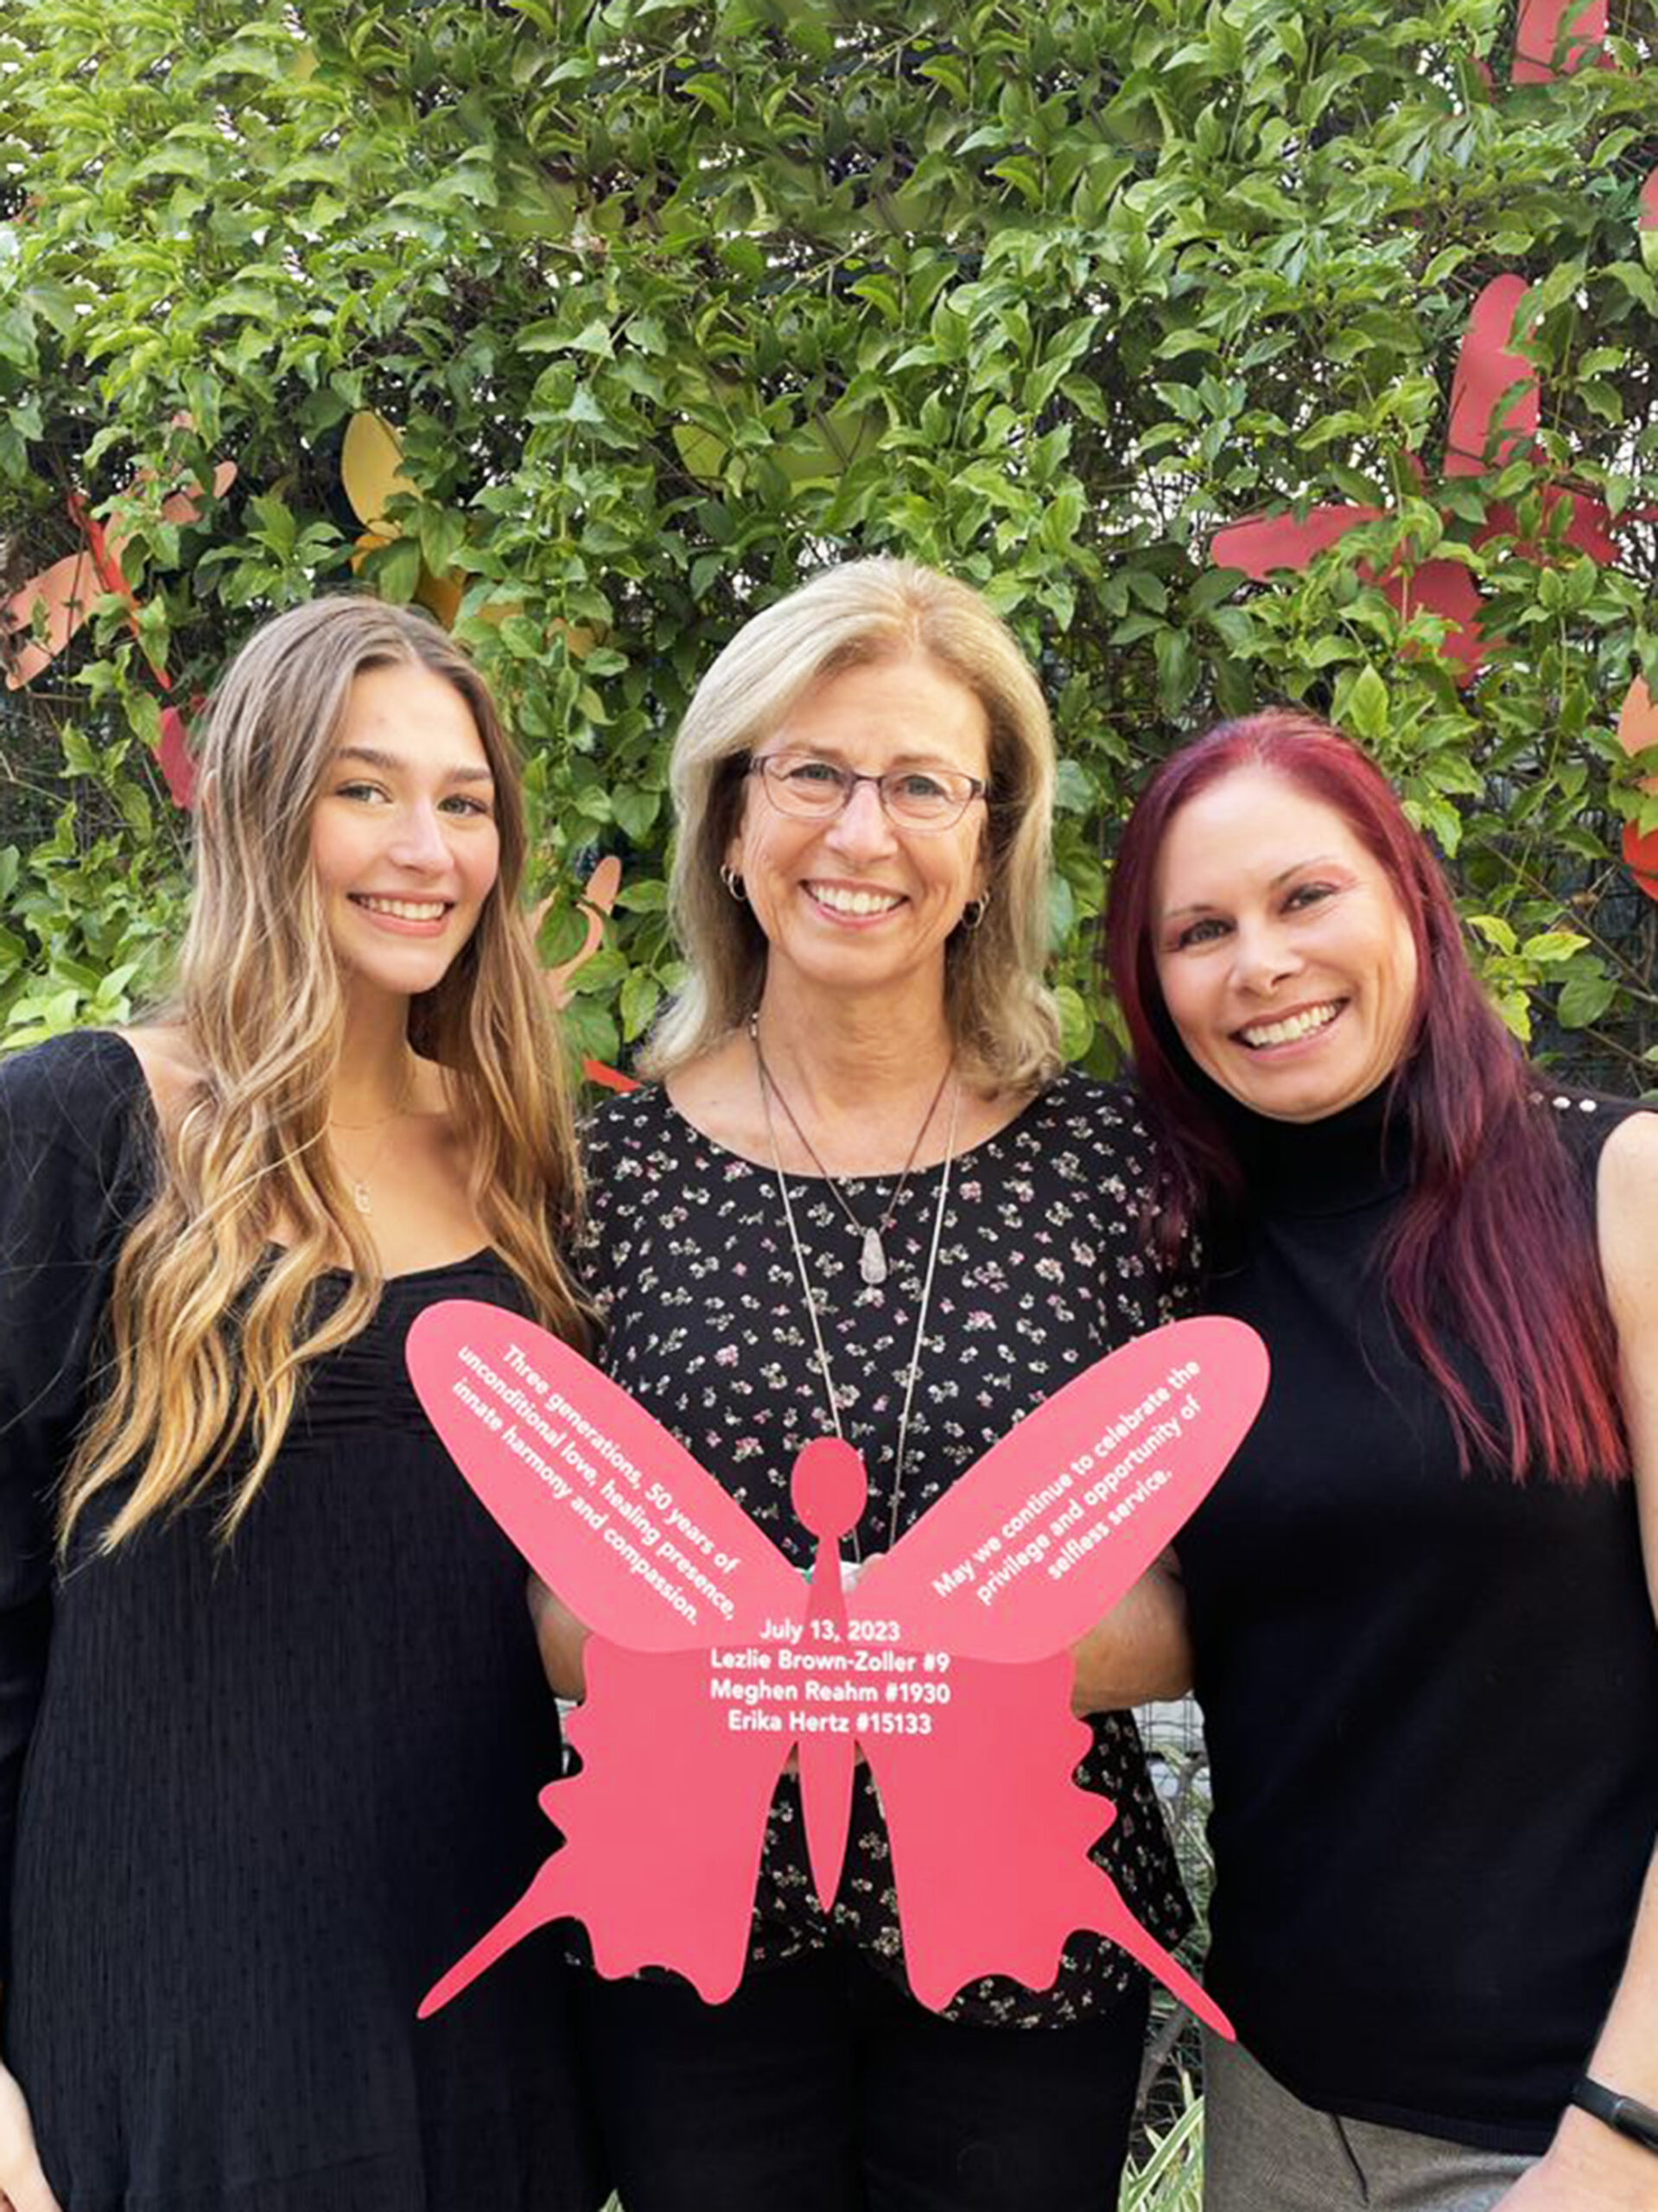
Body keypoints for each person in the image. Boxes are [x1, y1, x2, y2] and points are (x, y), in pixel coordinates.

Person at [531, 556, 1196, 2212]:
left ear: (987, 845)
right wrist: (846, 1672)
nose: (861, 832)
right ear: (731, 825)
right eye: (811, 772)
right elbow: (528, 1576)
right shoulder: (590, 1178)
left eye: (920, 784)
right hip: (689, 1930)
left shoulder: (1120, 1171)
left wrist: (853, 1670)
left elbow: (1217, 1578)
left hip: (1026, 1923)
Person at [0, 599, 605, 2212]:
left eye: (464, 802)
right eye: (365, 789)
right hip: (171, 2020)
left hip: (480, 1990)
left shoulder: (523, 1160)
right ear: (265, 809)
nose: (426, 846)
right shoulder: (79, 1124)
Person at [1103, 708, 1658, 2212]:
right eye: (1198, 930)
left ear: (1408, 894)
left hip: (1555, 2130)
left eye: (1304, 898)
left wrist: (1624, 2132)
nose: (1260, 965)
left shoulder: (1619, 1187)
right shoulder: (1186, 1272)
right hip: (1279, 2102)